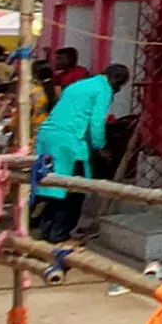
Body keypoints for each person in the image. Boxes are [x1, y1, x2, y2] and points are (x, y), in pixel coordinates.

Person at [30, 64, 126, 255]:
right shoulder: (103, 90)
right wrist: (101, 147)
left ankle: (47, 229)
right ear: (117, 80)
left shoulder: (79, 85)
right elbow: (97, 122)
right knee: (73, 190)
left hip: (48, 137)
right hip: (69, 141)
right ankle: (60, 235)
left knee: (52, 185)